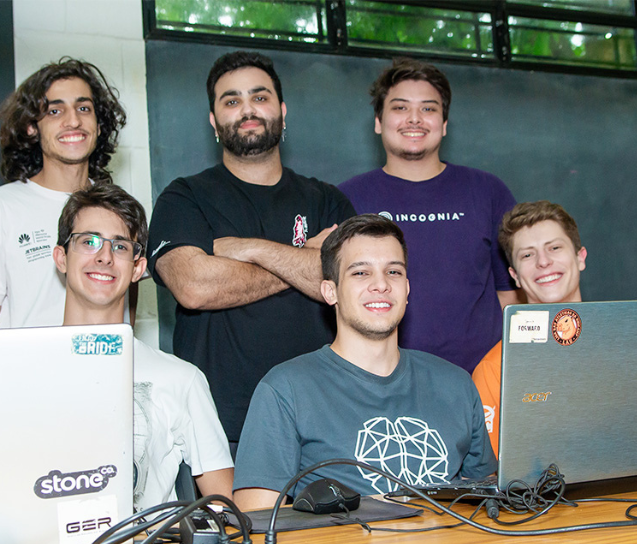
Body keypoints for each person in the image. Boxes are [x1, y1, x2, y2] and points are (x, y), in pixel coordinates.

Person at [147, 51, 356, 449]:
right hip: (217, 430)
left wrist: (249, 248)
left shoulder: (328, 201)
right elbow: (195, 287)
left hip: (324, 422)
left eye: (260, 97)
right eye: (231, 100)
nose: (247, 109)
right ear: (213, 121)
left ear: (282, 111)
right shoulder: (184, 197)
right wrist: (304, 259)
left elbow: (347, 285)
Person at [233, 214, 496, 510]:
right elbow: (257, 519)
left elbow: (489, 505)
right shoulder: (286, 390)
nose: (381, 284)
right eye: (360, 273)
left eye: (393, 272)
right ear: (330, 292)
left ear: (407, 288)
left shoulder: (456, 384)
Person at [52, 183, 233, 511]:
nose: (104, 256)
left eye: (120, 246)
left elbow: (228, 508)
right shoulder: (20, 371)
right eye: (89, 242)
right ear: (61, 258)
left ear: (137, 268)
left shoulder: (181, 379)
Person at [339, 58, 520, 374]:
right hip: (378, 381)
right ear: (378, 121)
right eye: (400, 107)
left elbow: (512, 294)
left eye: (428, 108)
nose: (414, 118)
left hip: (478, 382)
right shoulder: (346, 199)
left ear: (444, 123)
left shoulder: (488, 191)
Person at [0, 57, 134, 329]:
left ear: (99, 124)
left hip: (101, 357)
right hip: (24, 359)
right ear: (32, 128)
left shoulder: (120, 211)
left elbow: (124, 319)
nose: (74, 121)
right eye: (55, 111)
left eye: (84, 108)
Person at [473, 200, 587, 457]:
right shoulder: (495, 369)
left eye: (554, 248)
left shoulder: (634, 349)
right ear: (514, 276)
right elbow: (491, 472)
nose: (543, 262)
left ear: (580, 258)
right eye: (527, 255)